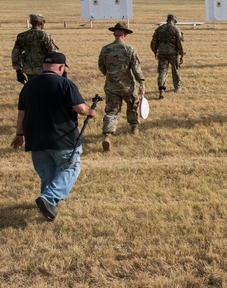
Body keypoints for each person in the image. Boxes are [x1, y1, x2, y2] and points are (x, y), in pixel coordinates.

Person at [11, 51, 95, 221]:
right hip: (63, 138)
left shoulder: (28, 86)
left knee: (48, 173)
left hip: (36, 140)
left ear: (43, 67)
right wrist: (90, 111)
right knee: (70, 168)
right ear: (61, 67)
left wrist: (20, 134)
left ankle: (48, 206)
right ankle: (48, 199)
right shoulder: (65, 84)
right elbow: (80, 109)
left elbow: (21, 114)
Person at [98, 22, 145, 151]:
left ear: (114, 34)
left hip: (111, 85)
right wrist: (141, 82)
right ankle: (134, 127)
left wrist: (110, 76)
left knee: (112, 111)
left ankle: (107, 135)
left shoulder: (105, 49)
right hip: (127, 86)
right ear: (125, 35)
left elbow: (101, 66)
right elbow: (136, 68)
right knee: (133, 106)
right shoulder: (130, 49)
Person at [11, 13, 59, 83]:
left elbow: (15, 54)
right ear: (41, 22)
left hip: (29, 70)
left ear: (30, 22)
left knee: (33, 89)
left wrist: (18, 71)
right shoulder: (45, 35)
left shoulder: (21, 36)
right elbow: (54, 53)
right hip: (45, 69)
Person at [150, 14, 185, 97]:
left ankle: (161, 89)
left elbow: (153, 42)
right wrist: (182, 54)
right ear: (174, 21)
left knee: (162, 71)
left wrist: (155, 51)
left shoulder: (159, 29)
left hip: (162, 53)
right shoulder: (176, 29)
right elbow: (179, 43)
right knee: (175, 70)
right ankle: (177, 87)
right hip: (173, 53)